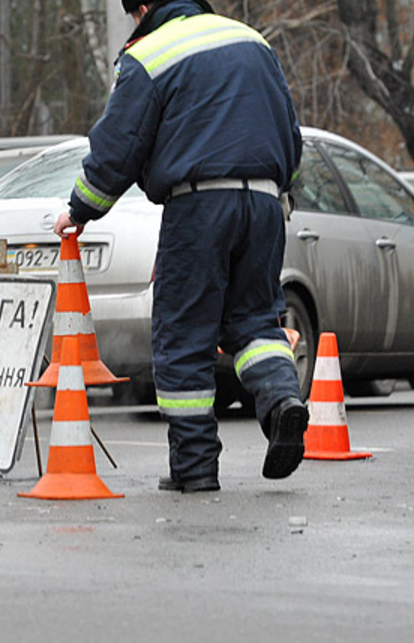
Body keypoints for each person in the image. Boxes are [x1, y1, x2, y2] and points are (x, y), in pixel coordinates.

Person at [53, 0, 307, 492]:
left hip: (198, 208)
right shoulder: (252, 41)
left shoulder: (150, 54)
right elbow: (290, 135)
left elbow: (118, 147)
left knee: (183, 335)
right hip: (265, 202)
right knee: (255, 321)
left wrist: (80, 209)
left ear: (145, 6)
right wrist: (284, 191)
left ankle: (194, 468)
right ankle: (281, 403)